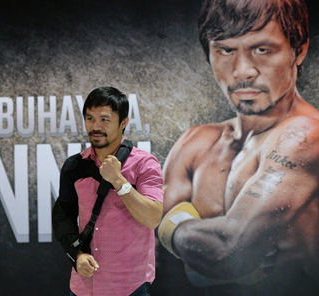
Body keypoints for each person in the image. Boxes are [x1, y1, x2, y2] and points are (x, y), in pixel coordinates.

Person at [158, 0, 319, 295]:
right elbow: (150, 227)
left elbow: (229, 253)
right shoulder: (196, 142)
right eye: (226, 50)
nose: (243, 71)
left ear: (300, 50)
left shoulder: (307, 136)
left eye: (262, 49)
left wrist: (174, 228)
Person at [52, 86, 164, 296]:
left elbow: (153, 218)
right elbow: (62, 217)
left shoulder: (144, 164)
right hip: (83, 287)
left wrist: (119, 182)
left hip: (130, 287)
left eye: (104, 119)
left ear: (124, 122)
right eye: (90, 118)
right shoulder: (74, 166)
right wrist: (76, 255)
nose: (96, 126)